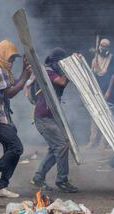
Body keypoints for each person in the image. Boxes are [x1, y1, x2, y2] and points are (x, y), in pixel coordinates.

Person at [0, 40, 32, 198]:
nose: (12, 61)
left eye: (14, 59)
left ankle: (2, 187)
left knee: (11, 152)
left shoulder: (4, 70)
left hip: (4, 116)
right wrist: (24, 79)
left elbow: (15, 82)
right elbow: (10, 92)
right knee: (17, 148)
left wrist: (24, 71)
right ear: (2, 54)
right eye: (10, 58)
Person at [30, 48, 78, 193]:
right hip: (43, 117)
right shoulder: (47, 71)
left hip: (50, 117)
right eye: (61, 63)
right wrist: (72, 66)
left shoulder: (52, 70)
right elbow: (62, 82)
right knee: (61, 146)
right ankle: (62, 180)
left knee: (56, 148)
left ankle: (38, 177)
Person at [87, 38, 114, 149]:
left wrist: (109, 91)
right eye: (102, 45)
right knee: (94, 115)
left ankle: (104, 142)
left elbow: (110, 75)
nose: (103, 47)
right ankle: (92, 140)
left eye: (106, 46)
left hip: (106, 91)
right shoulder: (94, 57)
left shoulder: (111, 58)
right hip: (96, 90)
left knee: (107, 115)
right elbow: (92, 73)